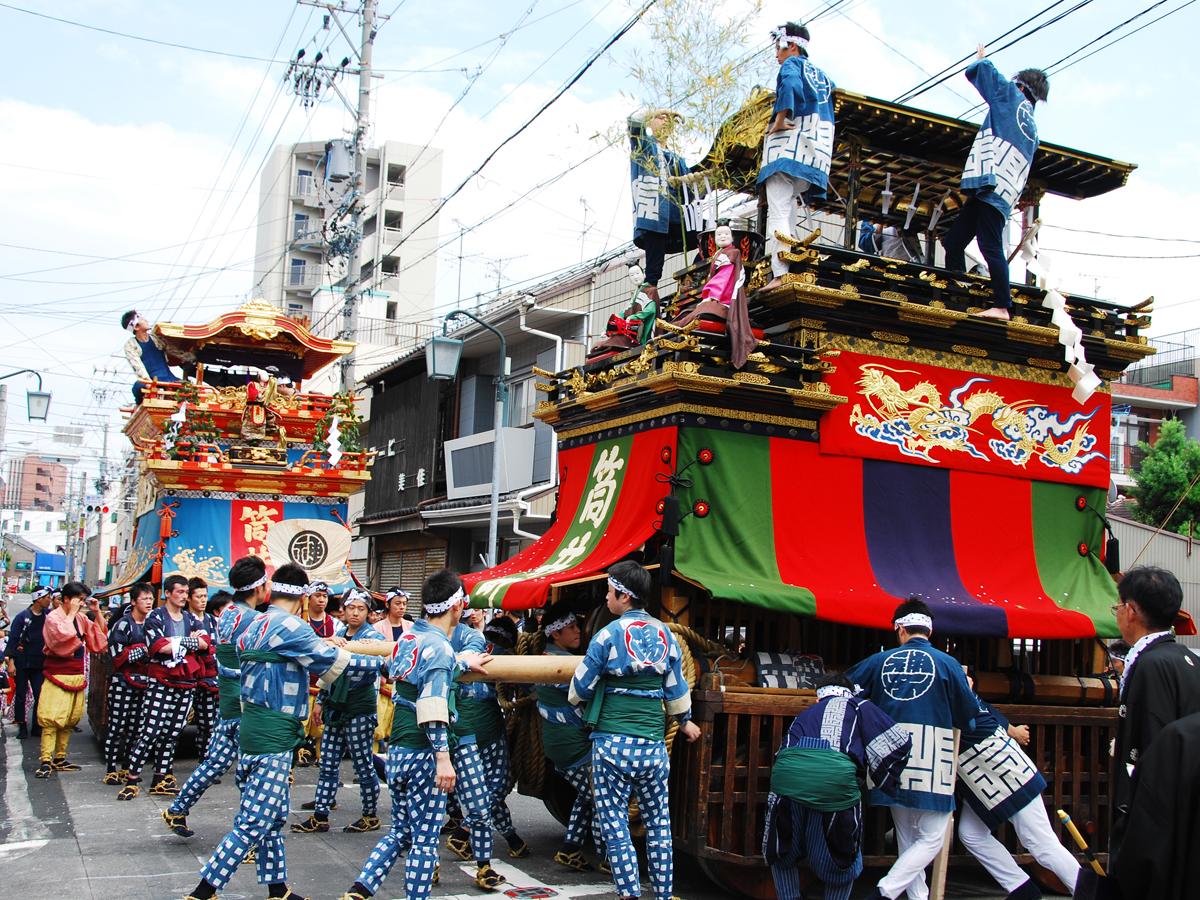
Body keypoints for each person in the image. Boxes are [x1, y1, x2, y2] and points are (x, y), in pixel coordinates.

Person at [182, 562, 380, 900]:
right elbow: (336, 665)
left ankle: (278, 890)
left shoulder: (253, 622)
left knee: (272, 816)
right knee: (254, 822)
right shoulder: (292, 626)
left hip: (252, 730)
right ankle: (203, 891)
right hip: (273, 737)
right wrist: (395, 661)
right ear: (303, 595)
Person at [337, 569, 492, 900]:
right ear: (457, 607)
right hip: (425, 754)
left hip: (400, 752)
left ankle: (359, 890)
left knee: (401, 832)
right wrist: (443, 759)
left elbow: (418, 674)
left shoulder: (408, 639)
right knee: (424, 838)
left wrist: (460, 662)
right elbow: (433, 703)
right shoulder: (439, 648)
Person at [569, 560, 701, 900]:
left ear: (623, 596)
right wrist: (685, 722)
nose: (606, 598)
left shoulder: (607, 635)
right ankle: (662, 893)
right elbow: (676, 691)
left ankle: (628, 893)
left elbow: (579, 689)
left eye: (609, 592)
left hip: (612, 745)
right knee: (659, 823)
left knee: (615, 823)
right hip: (653, 747)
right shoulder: (666, 636)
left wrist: (582, 704)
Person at [844, 598, 977, 900]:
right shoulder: (948, 664)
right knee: (932, 837)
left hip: (889, 754)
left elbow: (846, 688)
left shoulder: (879, 661)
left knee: (908, 837)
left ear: (900, 629)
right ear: (929, 631)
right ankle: (886, 891)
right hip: (933, 754)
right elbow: (968, 713)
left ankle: (906, 895)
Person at [764, 673, 912, 900]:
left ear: (818, 698)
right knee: (841, 855)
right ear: (849, 692)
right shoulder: (859, 705)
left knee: (784, 846)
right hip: (833, 782)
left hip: (787, 779)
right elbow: (899, 740)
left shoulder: (804, 715)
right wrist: (883, 778)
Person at [941, 46, 1048, 321]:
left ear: (1021, 86)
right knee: (954, 241)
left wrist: (981, 59)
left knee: (989, 246)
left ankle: (1002, 306)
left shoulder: (1012, 96)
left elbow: (985, 73)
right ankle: (957, 289)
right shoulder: (1033, 128)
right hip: (1004, 188)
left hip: (991, 182)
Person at [954, 668, 1080, 899]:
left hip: (1006, 772)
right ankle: (1022, 889)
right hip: (984, 778)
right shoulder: (961, 694)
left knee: (1040, 843)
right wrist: (1013, 730)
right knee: (970, 834)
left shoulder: (959, 697)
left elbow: (981, 717)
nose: (967, 675)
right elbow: (990, 713)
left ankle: (1089, 892)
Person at [1110, 566, 1200, 857]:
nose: (1118, 613)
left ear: (1131, 610)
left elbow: (1151, 743)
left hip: (1159, 811)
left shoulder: (1150, 664)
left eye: (1118, 606)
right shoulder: (1189, 660)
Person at [164, 584, 257, 840]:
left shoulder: (225, 616)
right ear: (258, 588)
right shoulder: (252, 619)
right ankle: (247, 837)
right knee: (250, 774)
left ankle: (177, 808)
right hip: (243, 706)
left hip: (227, 704)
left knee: (214, 763)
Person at [293, 588, 386, 835]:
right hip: (335, 705)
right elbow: (328, 672)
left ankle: (370, 814)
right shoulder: (339, 634)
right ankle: (320, 815)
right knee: (328, 763)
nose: (355, 613)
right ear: (343, 610)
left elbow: (375, 666)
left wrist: (341, 655)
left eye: (361, 609)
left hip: (359, 708)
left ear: (368, 612)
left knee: (363, 764)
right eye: (351, 608)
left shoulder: (372, 637)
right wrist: (322, 700)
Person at [758, 22, 835, 291]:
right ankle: (790, 263)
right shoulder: (823, 76)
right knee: (788, 206)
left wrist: (780, 119)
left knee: (778, 208)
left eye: (778, 48)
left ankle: (780, 273)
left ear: (791, 45)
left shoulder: (792, 66)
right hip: (815, 152)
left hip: (787, 148)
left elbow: (790, 83)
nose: (776, 56)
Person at [119, 573, 209, 799]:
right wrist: (190, 644)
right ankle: (132, 778)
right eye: (179, 592)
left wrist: (177, 643)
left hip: (186, 682)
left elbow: (206, 643)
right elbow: (158, 647)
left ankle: (161, 777)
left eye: (186, 593)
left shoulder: (190, 618)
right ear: (167, 593)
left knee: (172, 733)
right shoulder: (155, 617)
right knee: (150, 731)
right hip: (161, 681)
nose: (183, 596)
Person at [441, 605, 510, 890]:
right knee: (427, 808)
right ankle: (425, 867)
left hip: (467, 730)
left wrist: (464, 660)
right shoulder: (416, 637)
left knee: (480, 801)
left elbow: (473, 647)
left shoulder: (472, 637)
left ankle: (484, 865)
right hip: (430, 731)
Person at [537, 599, 605, 871]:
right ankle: (609, 858)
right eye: (572, 626)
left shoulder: (544, 658)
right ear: (555, 633)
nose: (579, 630)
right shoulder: (565, 664)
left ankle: (570, 848)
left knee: (586, 795)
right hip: (572, 746)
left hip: (559, 743)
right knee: (603, 797)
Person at [36, 581, 107, 777]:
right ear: (66, 599)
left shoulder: (81, 618)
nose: (81, 604)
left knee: (70, 719)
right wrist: (70, 614)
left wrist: (97, 612)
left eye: (83, 600)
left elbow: (99, 637)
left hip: (75, 674)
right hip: (57, 673)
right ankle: (45, 760)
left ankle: (60, 756)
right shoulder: (53, 617)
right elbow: (63, 636)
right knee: (51, 718)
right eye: (79, 599)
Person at [671, 220, 756, 369]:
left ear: (732, 237)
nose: (723, 236)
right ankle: (677, 325)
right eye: (719, 234)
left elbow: (724, 278)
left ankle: (679, 326)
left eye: (726, 234)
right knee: (693, 310)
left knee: (705, 309)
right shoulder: (719, 253)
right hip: (718, 294)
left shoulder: (732, 253)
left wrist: (713, 295)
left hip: (725, 298)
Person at [629, 108, 698, 286]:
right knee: (654, 270)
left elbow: (690, 190)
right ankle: (649, 296)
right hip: (654, 213)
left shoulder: (678, 158)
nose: (666, 121)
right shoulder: (644, 145)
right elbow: (633, 122)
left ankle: (696, 275)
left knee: (708, 234)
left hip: (677, 215)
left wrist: (692, 180)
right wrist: (659, 110)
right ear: (650, 122)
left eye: (670, 120)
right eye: (661, 118)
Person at [103, 582, 155, 784]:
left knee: (136, 728)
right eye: (144, 598)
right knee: (117, 725)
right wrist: (141, 650)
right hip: (122, 681)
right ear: (133, 602)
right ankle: (110, 768)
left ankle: (126, 766)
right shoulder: (123, 624)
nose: (149, 602)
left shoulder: (152, 623)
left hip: (144, 681)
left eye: (150, 598)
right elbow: (116, 655)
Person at [4, 585, 51, 739]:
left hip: (39, 662)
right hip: (22, 661)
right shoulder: (22, 617)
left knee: (41, 694)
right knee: (21, 695)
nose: (49, 600)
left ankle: (37, 726)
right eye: (46, 598)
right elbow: (13, 640)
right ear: (38, 599)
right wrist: (10, 662)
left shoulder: (48, 616)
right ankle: (22, 725)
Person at [297, 580, 336, 767]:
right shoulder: (300, 621)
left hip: (323, 679)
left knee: (323, 724)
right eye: (318, 596)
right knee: (301, 722)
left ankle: (323, 757)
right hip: (304, 679)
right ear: (308, 598)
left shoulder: (334, 623)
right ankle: (299, 753)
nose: (322, 600)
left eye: (325, 596)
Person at [186, 577, 219, 760]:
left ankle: (205, 758)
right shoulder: (184, 620)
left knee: (210, 722)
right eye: (198, 596)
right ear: (189, 598)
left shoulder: (213, 621)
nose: (203, 600)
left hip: (211, 677)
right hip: (191, 676)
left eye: (205, 596)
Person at [374, 587, 411, 753]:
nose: (401, 607)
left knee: (400, 725)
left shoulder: (412, 627)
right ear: (388, 605)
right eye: (397, 603)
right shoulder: (377, 628)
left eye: (404, 603)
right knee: (378, 726)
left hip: (403, 682)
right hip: (383, 683)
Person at [121, 309, 180, 402]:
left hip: (169, 378)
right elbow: (137, 366)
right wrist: (149, 383)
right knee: (137, 387)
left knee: (189, 387)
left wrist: (169, 331)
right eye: (142, 319)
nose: (146, 320)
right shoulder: (131, 345)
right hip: (151, 380)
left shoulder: (156, 338)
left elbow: (173, 351)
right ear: (136, 326)